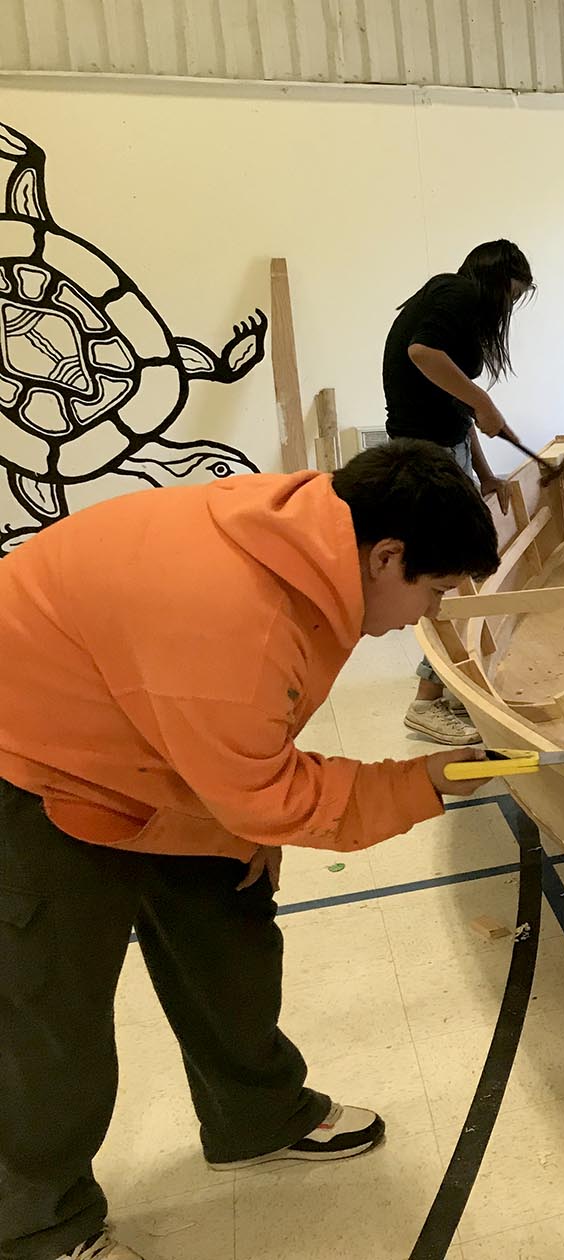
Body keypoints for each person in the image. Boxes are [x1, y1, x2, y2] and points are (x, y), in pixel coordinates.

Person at [0, 440, 497, 1260]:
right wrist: (426, 783)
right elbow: (260, 771)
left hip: (155, 728)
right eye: (436, 589)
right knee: (50, 1017)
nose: (433, 613)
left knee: (228, 927)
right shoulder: (239, 619)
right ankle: (39, 1226)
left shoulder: (315, 540)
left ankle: (256, 1116)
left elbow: (247, 742)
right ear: (388, 555)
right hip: (36, 759)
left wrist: (250, 824)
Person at [384, 239, 534, 745]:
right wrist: (483, 399)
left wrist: (486, 473)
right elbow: (420, 353)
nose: (509, 307)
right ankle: (426, 704)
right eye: (511, 295)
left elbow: (456, 409)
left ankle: (440, 676)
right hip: (425, 454)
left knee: (463, 565)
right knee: (456, 572)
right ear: (494, 280)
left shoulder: (453, 302)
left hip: (444, 448)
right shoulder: (457, 293)